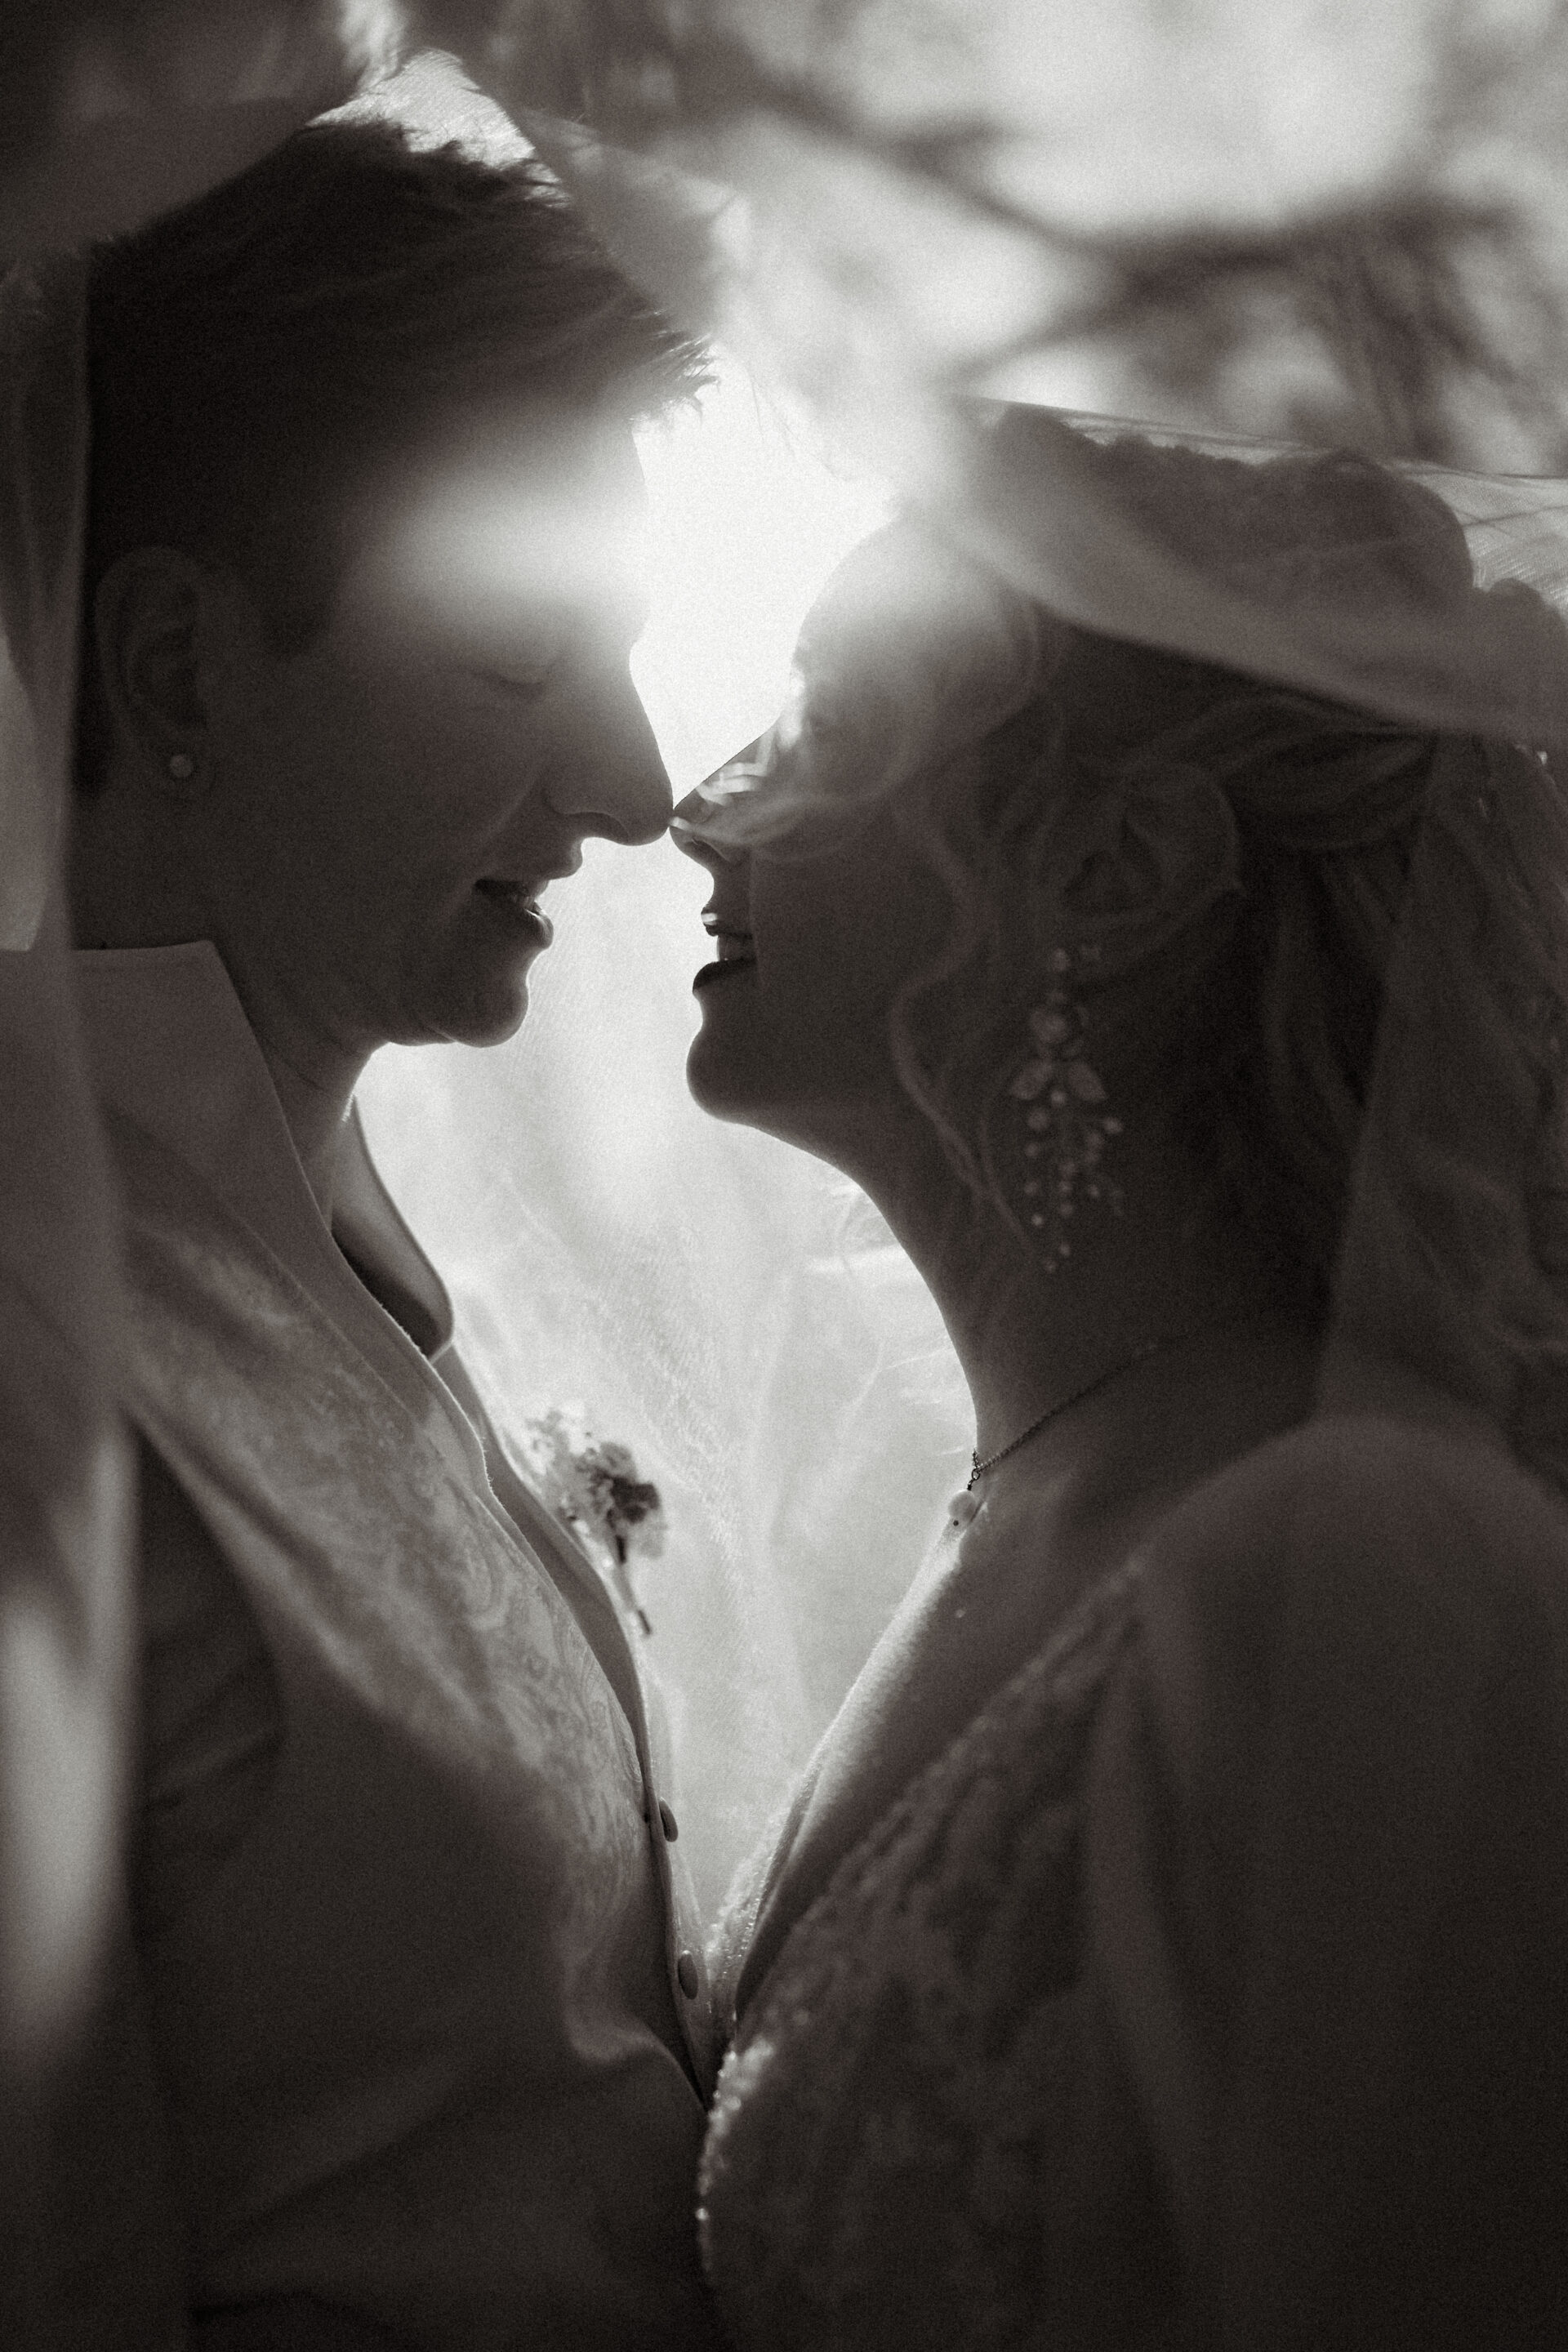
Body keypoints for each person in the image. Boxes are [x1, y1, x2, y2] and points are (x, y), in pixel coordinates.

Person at [676, 438, 1568, 2348]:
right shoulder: (997, 1495)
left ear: (1123, 870)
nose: (694, 807)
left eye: (825, 720)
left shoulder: (1364, 1567)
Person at [65, 117, 725, 2349]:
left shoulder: (382, 1208)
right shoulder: (45, 1360)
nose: (640, 788)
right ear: (173, 676)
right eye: (524, 660)